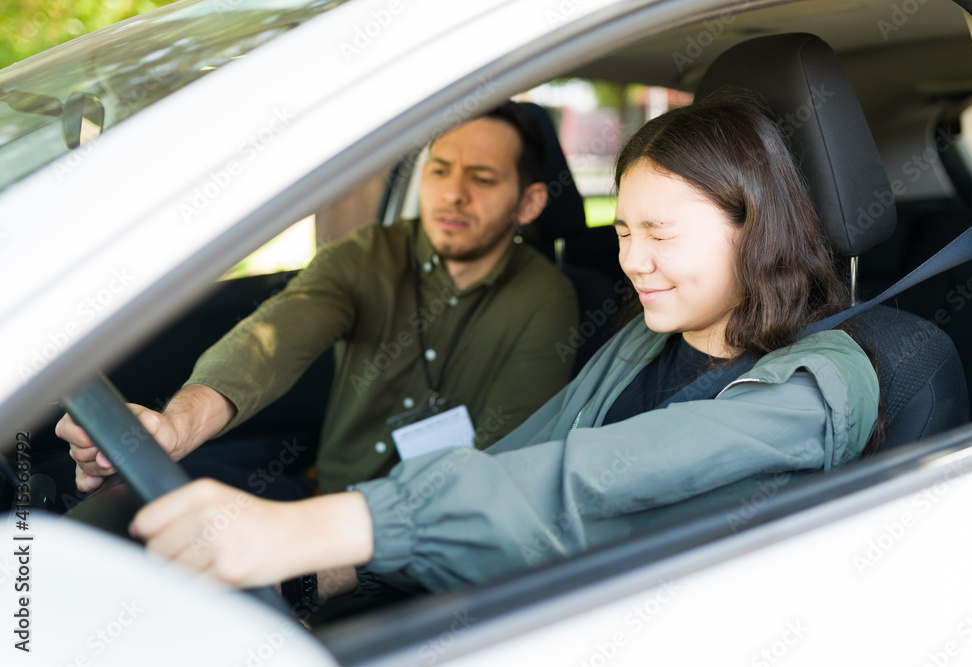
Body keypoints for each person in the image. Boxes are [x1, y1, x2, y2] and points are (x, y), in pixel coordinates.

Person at [128, 98, 880, 599]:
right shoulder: (644, 346)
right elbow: (516, 461)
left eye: (661, 233)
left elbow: (585, 481)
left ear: (754, 229)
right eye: (624, 231)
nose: (633, 260)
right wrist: (334, 564)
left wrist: (325, 526)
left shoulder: (816, 386)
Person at [58, 101, 579, 498]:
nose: (453, 194)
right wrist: (176, 426)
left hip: (433, 532)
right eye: (440, 169)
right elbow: (272, 339)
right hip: (321, 497)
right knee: (138, 496)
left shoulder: (544, 297)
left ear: (530, 201)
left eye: (482, 178)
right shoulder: (368, 255)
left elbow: (507, 456)